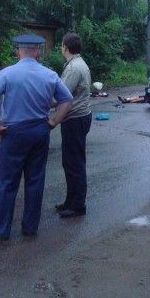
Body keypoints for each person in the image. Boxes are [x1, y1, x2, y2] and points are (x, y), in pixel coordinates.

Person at [0, 35, 73, 240]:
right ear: (37, 52)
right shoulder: (49, 75)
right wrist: (54, 122)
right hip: (39, 131)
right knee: (35, 180)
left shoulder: (7, 74)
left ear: (18, 52)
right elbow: (66, 100)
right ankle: (30, 227)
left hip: (13, 132)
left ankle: (1, 231)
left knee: (7, 182)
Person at [55, 33, 93, 219]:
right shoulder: (78, 64)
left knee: (74, 163)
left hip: (75, 119)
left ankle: (77, 205)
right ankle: (71, 201)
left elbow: (61, 95)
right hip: (79, 117)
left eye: (61, 45)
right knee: (71, 162)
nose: (61, 48)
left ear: (65, 47)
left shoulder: (74, 68)